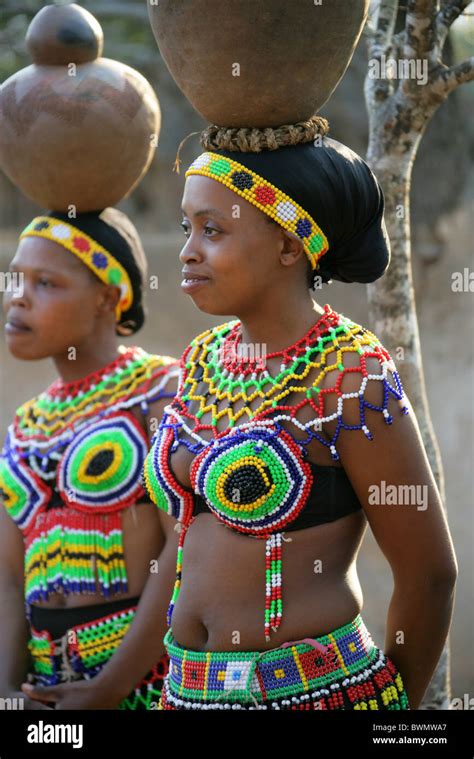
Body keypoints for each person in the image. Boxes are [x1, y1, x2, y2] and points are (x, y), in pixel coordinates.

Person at [141, 119, 458, 711]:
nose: (187, 250)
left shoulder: (350, 375)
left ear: (290, 245)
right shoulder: (204, 360)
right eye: (188, 228)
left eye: (213, 230)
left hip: (314, 695)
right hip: (184, 692)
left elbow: (429, 574)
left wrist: (392, 713)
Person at [0, 208, 180, 710]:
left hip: (149, 688)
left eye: (46, 283)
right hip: (46, 689)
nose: (18, 296)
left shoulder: (162, 395)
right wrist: (9, 694)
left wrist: (109, 688)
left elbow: (184, 552)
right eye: (17, 280)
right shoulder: (25, 427)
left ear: (107, 298)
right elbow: (8, 582)